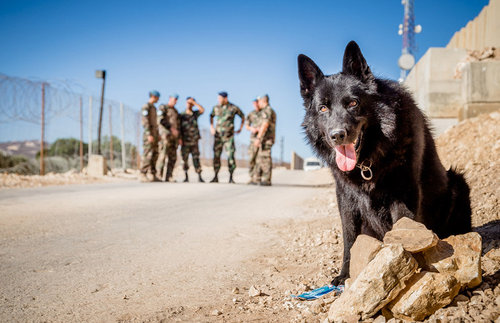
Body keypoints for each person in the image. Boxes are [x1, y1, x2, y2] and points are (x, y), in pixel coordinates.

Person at [209, 91, 245, 183]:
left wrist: (240, 128)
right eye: (218, 98)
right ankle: (216, 176)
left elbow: (243, 116)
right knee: (216, 156)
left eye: (220, 98)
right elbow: (211, 116)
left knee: (230, 156)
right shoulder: (216, 107)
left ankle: (231, 177)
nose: (219, 100)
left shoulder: (233, 108)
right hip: (218, 136)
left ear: (225, 98)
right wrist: (212, 127)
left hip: (229, 137)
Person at [180, 97, 205, 182]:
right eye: (188, 103)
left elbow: (202, 110)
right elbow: (179, 128)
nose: (189, 104)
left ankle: (199, 176)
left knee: (196, 158)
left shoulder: (195, 114)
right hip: (185, 141)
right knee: (184, 159)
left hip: (194, 141)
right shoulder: (182, 115)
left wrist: (194, 103)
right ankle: (186, 176)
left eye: (190, 103)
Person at [156, 94, 181, 182]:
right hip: (165, 136)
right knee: (162, 154)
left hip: (174, 138)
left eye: (176, 100)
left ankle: (169, 176)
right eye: (174, 99)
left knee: (172, 157)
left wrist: (179, 137)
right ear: (170, 99)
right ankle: (158, 175)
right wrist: (171, 128)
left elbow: (178, 125)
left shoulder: (176, 111)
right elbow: (161, 120)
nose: (175, 101)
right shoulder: (163, 108)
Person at [254, 94, 276, 186]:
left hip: (266, 139)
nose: (257, 103)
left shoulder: (267, 110)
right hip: (265, 139)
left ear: (263, 101)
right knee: (261, 158)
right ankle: (262, 178)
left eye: (258, 101)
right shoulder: (267, 110)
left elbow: (265, 124)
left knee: (266, 157)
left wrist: (258, 138)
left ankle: (267, 179)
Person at [139, 90, 161, 182]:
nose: (158, 99)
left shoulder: (154, 108)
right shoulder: (146, 107)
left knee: (155, 154)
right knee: (148, 153)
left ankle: (152, 174)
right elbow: (145, 121)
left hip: (155, 134)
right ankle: (142, 173)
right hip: (149, 135)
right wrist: (149, 134)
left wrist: (158, 134)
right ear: (154, 96)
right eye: (157, 97)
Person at [245, 98, 262, 185]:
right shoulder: (251, 114)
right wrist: (252, 128)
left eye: (257, 103)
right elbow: (246, 126)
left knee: (260, 159)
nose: (256, 105)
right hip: (253, 139)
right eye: (254, 104)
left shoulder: (264, 113)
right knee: (252, 158)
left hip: (262, 139)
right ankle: (252, 177)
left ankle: (258, 178)